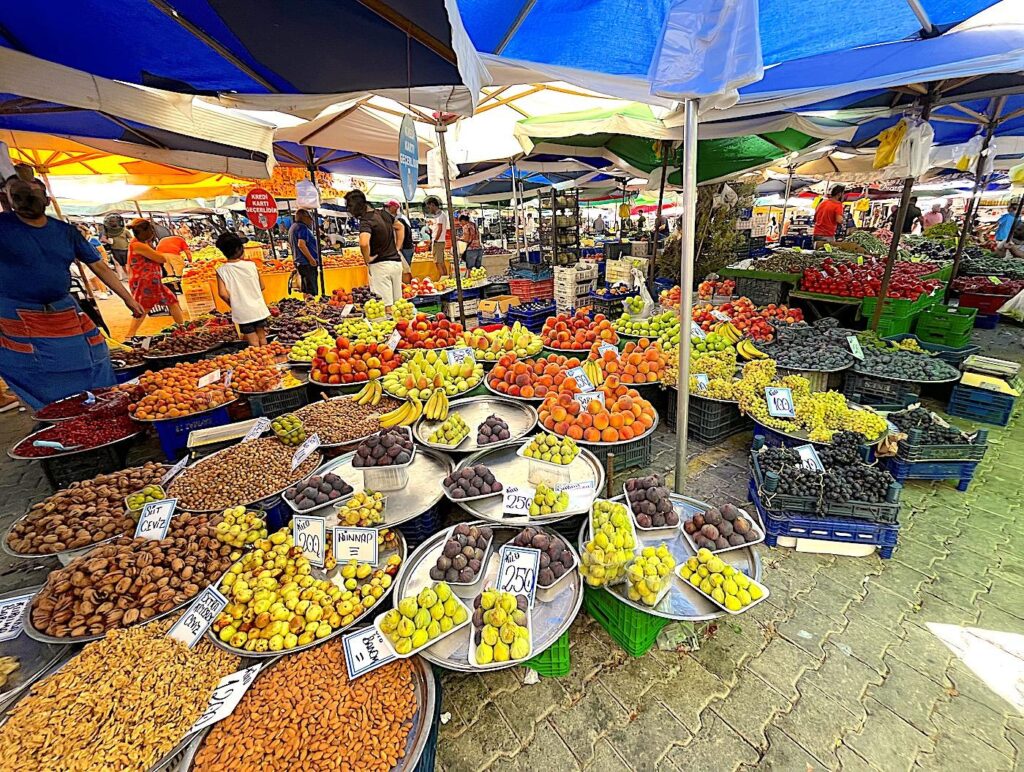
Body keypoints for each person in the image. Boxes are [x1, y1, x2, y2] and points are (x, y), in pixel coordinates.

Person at [0, 175, 143, 409]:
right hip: (15, 312)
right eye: (18, 196)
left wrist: (128, 299)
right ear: (9, 199)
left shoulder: (64, 231)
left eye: (32, 197)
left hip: (61, 307)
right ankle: (52, 415)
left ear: (46, 201)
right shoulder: (3, 226)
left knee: (96, 354)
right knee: (28, 365)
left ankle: (100, 407)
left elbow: (98, 265)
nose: (25, 202)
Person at [124, 218, 186, 338]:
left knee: (172, 301)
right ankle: (129, 336)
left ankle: (182, 328)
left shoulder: (141, 243)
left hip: (152, 280)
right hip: (145, 281)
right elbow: (160, 259)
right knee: (144, 307)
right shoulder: (137, 245)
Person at [344, 189, 404, 309]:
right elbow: (400, 227)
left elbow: (364, 243)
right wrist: (397, 248)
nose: (348, 210)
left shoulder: (366, 221)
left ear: (356, 206)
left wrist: (368, 259)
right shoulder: (383, 214)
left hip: (380, 267)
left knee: (385, 306)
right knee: (398, 305)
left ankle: (390, 327)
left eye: (349, 206)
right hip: (396, 263)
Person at [215, 232, 270, 346]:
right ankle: (268, 357)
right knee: (262, 336)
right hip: (258, 308)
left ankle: (260, 361)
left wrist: (234, 303)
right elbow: (262, 286)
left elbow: (222, 294)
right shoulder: (251, 265)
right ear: (241, 249)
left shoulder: (221, 271)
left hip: (242, 312)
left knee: (253, 339)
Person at [289, 208, 321, 297]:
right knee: (311, 290)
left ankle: (308, 306)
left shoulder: (293, 227)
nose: (311, 221)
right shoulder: (302, 227)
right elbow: (301, 244)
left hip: (300, 262)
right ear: (305, 217)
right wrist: (311, 259)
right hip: (306, 263)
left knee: (306, 289)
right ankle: (311, 307)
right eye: (310, 218)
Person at [385, 200, 415, 280]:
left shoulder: (399, 219)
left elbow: (402, 233)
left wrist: (398, 248)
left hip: (405, 248)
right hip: (406, 247)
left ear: (395, 207)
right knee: (405, 270)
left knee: (405, 271)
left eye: (388, 207)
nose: (386, 209)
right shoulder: (401, 217)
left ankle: (407, 288)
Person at [423, 195, 448, 274]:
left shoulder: (440, 215)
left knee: (439, 262)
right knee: (439, 262)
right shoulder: (439, 215)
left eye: (429, 207)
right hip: (438, 241)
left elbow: (440, 229)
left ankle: (443, 278)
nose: (429, 209)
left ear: (433, 205)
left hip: (438, 241)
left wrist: (436, 240)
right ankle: (445, 277)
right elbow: (438, 227)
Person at [102, 213, 130, 281]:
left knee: (127, 264)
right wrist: (109, 242)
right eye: (111, 221)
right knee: (121, 264)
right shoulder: (107, 231)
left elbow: (131, 238)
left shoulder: (124, 230)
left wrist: (130, 245)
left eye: (114, 221)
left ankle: (130, 276)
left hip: (125, 249)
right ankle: (128, 276)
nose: (113, 223)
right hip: (115, 249)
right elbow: (103, 238)